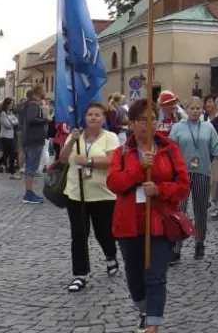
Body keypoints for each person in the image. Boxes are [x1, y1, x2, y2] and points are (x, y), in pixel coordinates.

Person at [107, 99, 190, 333]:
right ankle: (144, 311)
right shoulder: (121, 153)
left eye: (152, 118)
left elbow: (183, 185)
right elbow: (114, 183)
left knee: (155, 275)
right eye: (142, 119)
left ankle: (152, 325)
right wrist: (139, 168)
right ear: (132, 123)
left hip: (160, 222)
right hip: (129, 223)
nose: (148, 124)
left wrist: (161, 190)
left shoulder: (169, 149)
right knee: (134, 276)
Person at [58, 101, 121, 293]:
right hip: (76, 194)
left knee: (104, 232)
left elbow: (113, 160)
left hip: (102, 195)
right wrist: (71, 141)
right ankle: (80, 274)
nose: (93, 118)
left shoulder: (110, 137)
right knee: (79, 235)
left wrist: (90, 162)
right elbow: (62, 158)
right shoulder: (76, 136)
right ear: (84, 117)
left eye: (97, 115)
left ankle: (110, 256)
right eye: (90, 115)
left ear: (103, 118)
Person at [169, 96, 218, 263]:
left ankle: (200, 243)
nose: (196, 111)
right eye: (192, 108)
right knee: (180, 211)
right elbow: (170, 150)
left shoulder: (208, 127)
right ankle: (176, 247)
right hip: (181, 174)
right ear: (187, 109)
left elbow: (217, 148)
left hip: (202, 172)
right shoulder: (177, 128)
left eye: (198, 108)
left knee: (200, 210)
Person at [20, 88, 50, 204]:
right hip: (34, 139)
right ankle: (28, 193)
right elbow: (32, 119)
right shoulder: (34, 105)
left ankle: (29, 192)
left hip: (33, 138)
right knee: (31, 166)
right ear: (39, 93)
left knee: (31, 166)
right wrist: (45, 120)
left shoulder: (30, 104)